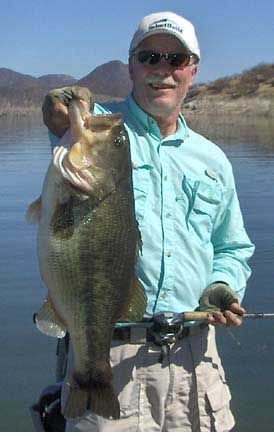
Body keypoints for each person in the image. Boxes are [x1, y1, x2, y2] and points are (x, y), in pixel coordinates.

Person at [42, 11, 255, 432]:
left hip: (198, 365)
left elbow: (233, 247)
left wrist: (223, 285)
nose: (163, 71)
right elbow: (60, 114)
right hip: (111, 353)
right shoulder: (102, 128)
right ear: (131, 65)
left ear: (193, 70)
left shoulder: (213, 159)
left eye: (176, 60)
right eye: (150, 57)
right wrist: (60, 105)